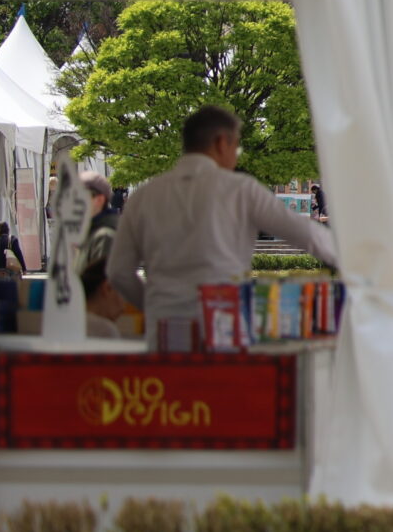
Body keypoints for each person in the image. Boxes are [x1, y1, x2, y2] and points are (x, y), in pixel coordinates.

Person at [107, 105, 337, 350]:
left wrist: (156, 304)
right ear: (220, 143)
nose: (236, 156)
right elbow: (309, 236)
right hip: (224, 332)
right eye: (236, 146)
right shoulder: (240, 190)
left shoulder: (144, 197)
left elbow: (119, 271)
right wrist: (363, 267)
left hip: (163, 335)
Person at [80, 259, 134, 340]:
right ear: (107, 288)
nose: (124, 307)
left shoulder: (70, 322)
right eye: (124, 293)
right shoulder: (105, 330)